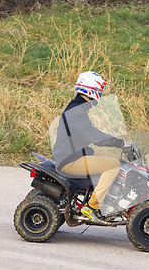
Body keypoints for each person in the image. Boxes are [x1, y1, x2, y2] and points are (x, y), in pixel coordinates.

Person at [52, 71, 125, 223]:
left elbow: (91, 134)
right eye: (100, 90)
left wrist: (122, 147)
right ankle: (93, 207)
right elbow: (94, 136)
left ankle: (114, 198)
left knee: (119, 158)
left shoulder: (78, 108)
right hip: (70, 161)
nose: (102, 93)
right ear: (92, 90)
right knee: (113, 165)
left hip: (77, 154)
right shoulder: (76, 112)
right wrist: (118, 143)